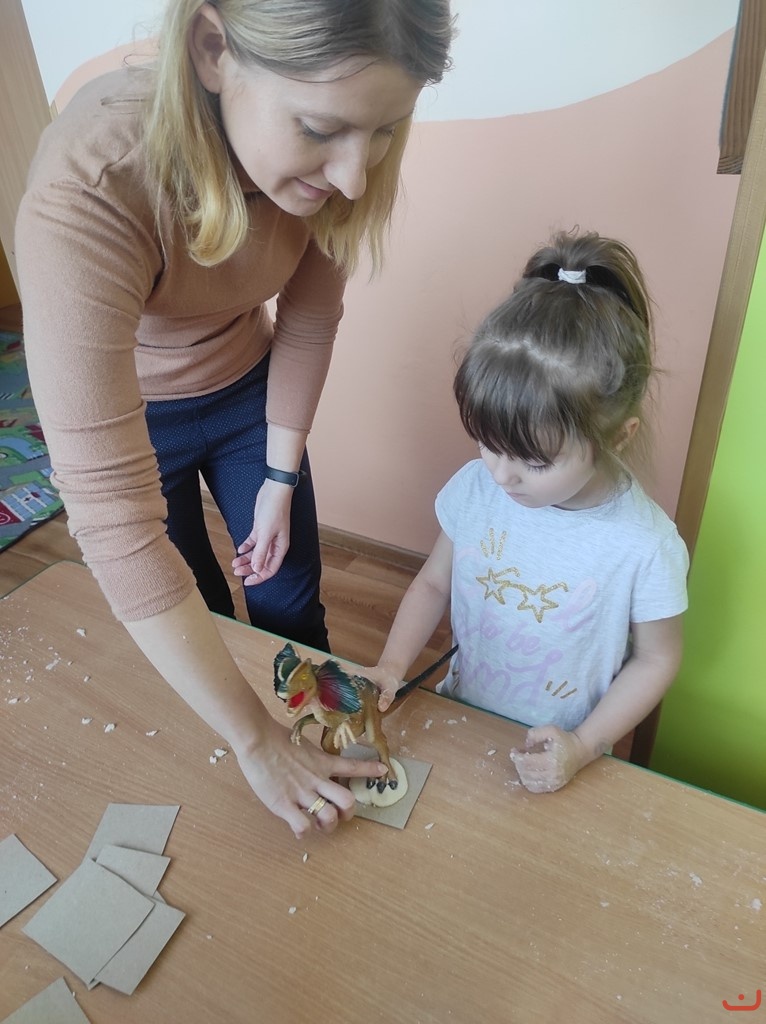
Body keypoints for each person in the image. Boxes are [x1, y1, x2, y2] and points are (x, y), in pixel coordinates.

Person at [15, 0, 454, 837]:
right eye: (320, 129)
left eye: (385, 131)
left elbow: (309, 320)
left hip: (249, 392)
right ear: (213, 49)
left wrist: (279, 478)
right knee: (199, 605)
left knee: (289, 599)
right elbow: (115, 525)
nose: (354, 179)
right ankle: (247, 739)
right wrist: (255, 740)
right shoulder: (93, 187)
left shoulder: (338, 175)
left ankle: (309, 737)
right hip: (139, 417)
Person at [366, 230, 689, 794]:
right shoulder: (478, 488)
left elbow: (656, 661)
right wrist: (392, 666)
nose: (501, 475)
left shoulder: (645, 546)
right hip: (463, 710)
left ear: (618, 435)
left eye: (534, 462)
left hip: (559, 746)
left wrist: (584, 745)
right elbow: (434, 583)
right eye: (488, 444)